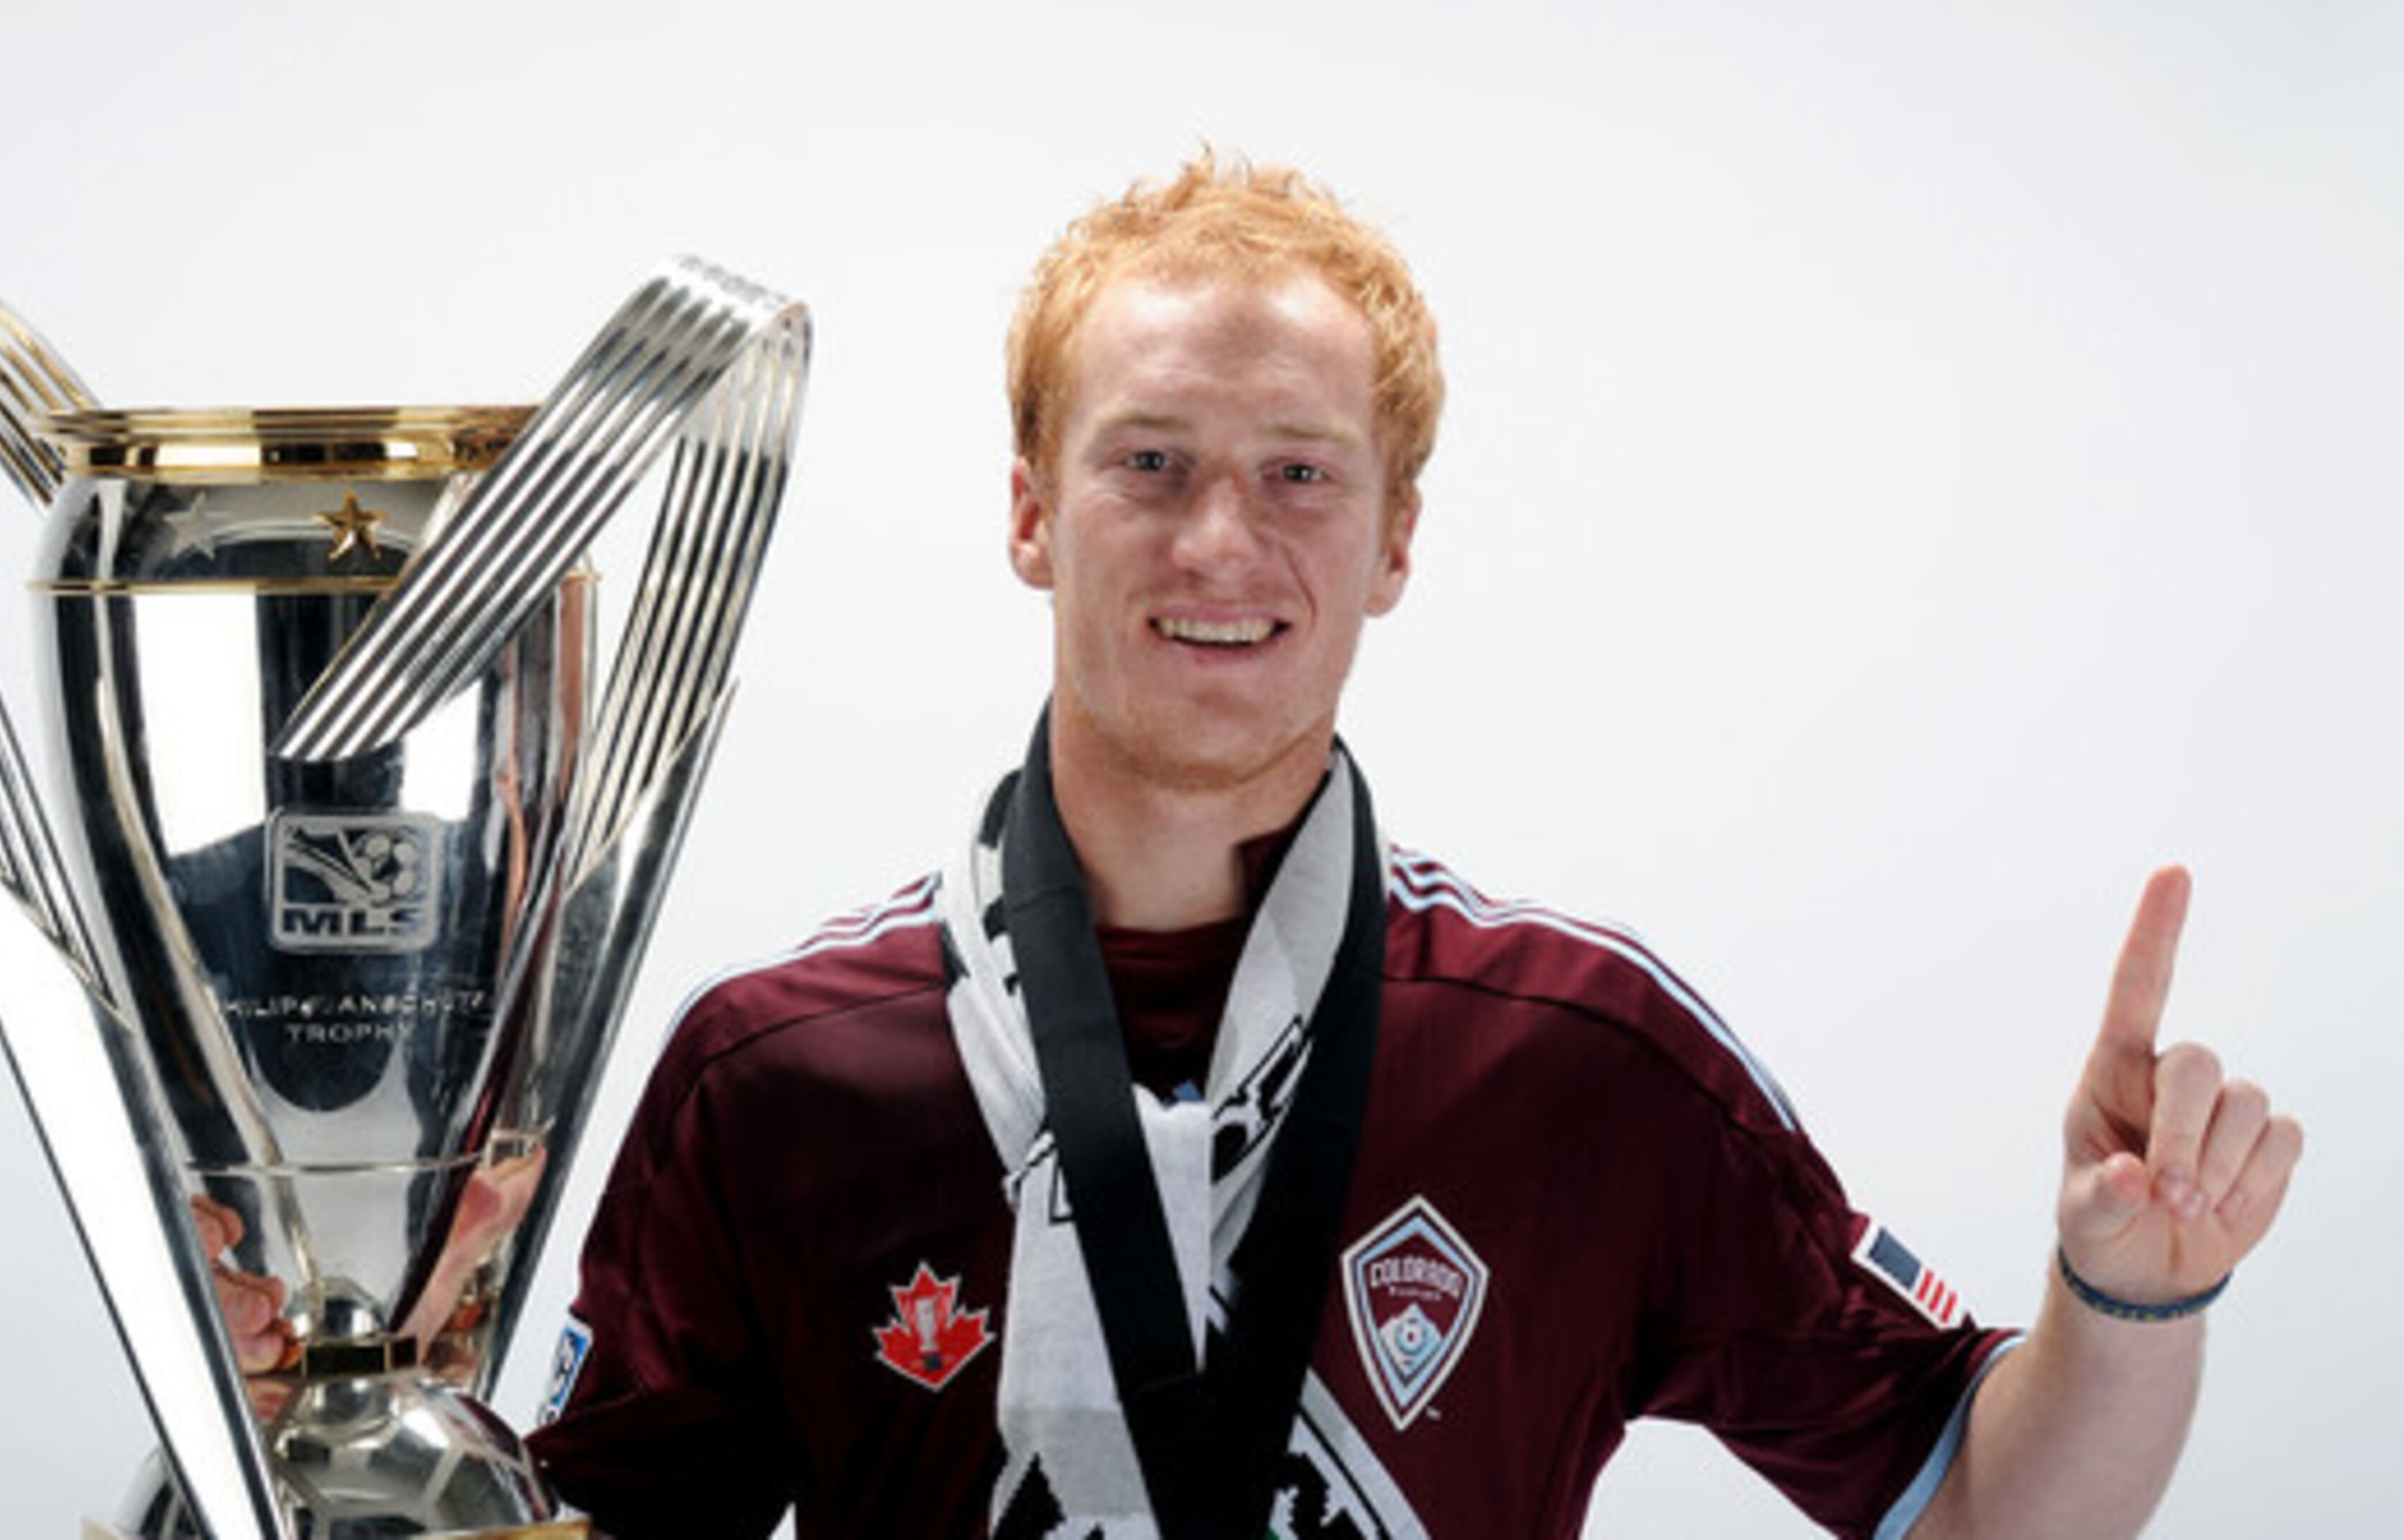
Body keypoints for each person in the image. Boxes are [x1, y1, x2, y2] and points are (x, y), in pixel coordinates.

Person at [243, 154, 2302, 1537]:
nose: (1222, 545)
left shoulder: (1584, 1058)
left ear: (1396, 540)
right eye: (1148, 463)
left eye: (1299, 475)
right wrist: (340, 1430)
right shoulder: (778, 1071)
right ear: (1032, 511)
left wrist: (2127, 1303)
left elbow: (1971, 1498)